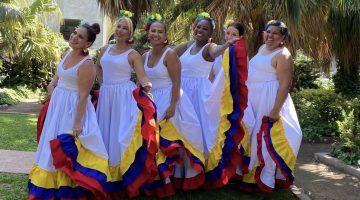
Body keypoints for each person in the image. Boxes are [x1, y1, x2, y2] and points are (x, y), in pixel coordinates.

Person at [28, 22, 111, 199]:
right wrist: (53, 93)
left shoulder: (87, 64)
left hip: (72, 109)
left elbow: (83, 96)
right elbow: (55, 80)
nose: (74, 37)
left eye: (80, 36)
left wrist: (78, 122)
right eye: (74, 33)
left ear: (87, 44)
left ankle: (68, 186)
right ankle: (48, 181)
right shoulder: (67, 54)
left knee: (66, 145)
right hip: (58, 106)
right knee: (51, 142)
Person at [175, 13, 247, 189]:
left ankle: (195, 173)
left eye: (205, 29)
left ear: (210, 35)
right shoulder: (189, 44)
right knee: (179, 131)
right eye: (198, 27)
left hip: (197, 96)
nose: (200, 30)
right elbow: (170, 53)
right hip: (181, 92)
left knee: (193, 133)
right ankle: (179, 173)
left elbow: (216, 51)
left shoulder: (210, 47)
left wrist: (226, 45)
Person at [141, 14, 205, 197]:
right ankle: (157, 178)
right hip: (151, 100)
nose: (156, 34)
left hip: (170, 99)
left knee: (173, 140)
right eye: (153, 31)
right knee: (153, 140)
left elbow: (177, 82)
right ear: (148, 33)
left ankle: (178, 178)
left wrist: (172, 106)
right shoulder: (144, 55)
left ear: (166, 36)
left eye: (160, 32)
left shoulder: (170, 55)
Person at [95, 10, 156, 197]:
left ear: (130, 34)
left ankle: (122, 175)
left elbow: (142, 76)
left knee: (121, 134)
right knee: (105, 130)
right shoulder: (105, 49)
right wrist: (103, 83)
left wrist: (147, 86)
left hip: (124, 97)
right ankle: (104, 172)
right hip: (107, 95)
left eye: (125, 28)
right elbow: (97, 66)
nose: (120, 30)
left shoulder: (133, 54)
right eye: (119, 26)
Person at [240, 20, 302, 192]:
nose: (270, 35)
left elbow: (284, 85)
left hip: (269, 101)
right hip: (254, 100)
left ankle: (263, 180)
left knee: (264, 139)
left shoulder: (283, 55)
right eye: (268, 32)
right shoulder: (262, 49)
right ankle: (248, 175)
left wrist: (275, 110)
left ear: (283, 37)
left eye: (275, 33)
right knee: (251, 135)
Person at [212, 20, 255, 180]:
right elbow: (212, 76)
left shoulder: (242, 56)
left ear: (240, 37)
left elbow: (243, 80)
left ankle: (235, 170)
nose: (229, 37)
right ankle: (218, 167)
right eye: (228, 33)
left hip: (234, 98)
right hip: (217, 98)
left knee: (241, 127)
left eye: (234, 34)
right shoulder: (219, 53)